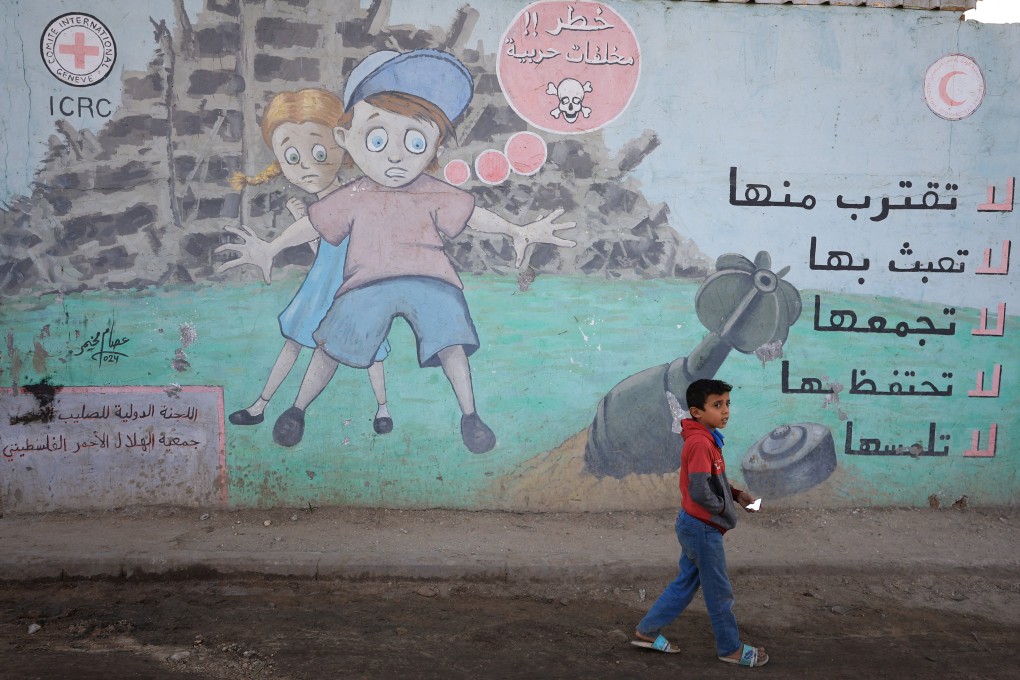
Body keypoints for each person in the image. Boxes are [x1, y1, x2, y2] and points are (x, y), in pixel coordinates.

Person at [236, 49, 575, 453]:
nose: (395, 155)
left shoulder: (431, 190)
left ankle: (470, 416)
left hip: (429, 277)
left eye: (415, 140)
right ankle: (297, 410)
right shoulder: (355, 193)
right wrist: (272, 247)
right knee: (331, 343)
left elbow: (472, 215)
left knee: (451, 340)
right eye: (377, 139)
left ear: (434, 148)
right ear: (345, 138)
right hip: (366, 283)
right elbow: (313, 221)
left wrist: (516, 230)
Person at [218, 89, 394, 434]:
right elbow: (325, 251)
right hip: (319, 286)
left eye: (318, 152)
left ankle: (383, 408)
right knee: (295, 343)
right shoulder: (316, 210)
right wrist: (306, 229)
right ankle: (261, 405)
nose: (308, 166)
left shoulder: (355, 198)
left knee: (373, 348)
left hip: (352, 288)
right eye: (292, 157)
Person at [631, 378, 769, 668]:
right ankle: (730, 649)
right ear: (696, 412)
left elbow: (711, 480)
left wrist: (736, 495)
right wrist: (721, 508)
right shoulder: (698, 442)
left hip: (697, 526)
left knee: (685, 583)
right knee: (719, 592)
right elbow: (698, 489)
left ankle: (646, 632)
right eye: (717, 405)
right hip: (702, 528)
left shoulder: (707, 438)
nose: (726, 411)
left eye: (727, 404)